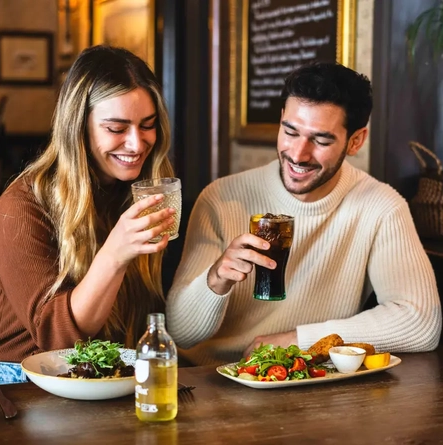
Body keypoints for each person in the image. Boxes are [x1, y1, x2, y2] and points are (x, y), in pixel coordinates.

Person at [166, 61, 442, 366]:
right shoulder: (221, 198)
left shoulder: (381, 206)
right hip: (211, 382)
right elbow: (180, 332)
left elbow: (421, 323)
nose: (298, 154)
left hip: (309, 381)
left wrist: (299, 340)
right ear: (282, 119)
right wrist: (216, 278)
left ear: (356, 141)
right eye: (290, 132)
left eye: (321, 140)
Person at [0, 45, 176, 383]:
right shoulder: (19, 207)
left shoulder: (136, 194)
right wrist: (115, 253)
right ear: (78, 127)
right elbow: (58, 340)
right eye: (116, 128)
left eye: (147, 125)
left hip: (102, 376)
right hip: (18, 381)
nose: (137, 144)